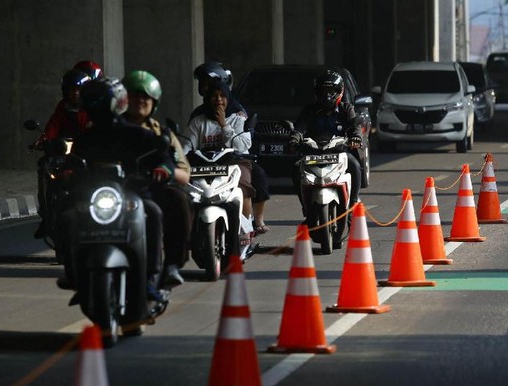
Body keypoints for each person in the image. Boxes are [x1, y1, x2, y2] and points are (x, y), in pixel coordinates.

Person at [64, 77, 175, 299]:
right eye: (93, 103)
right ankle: (75, 276)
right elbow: (71, 164)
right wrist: (66, 174)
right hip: (94, 199)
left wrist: (163, 168)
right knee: (67, 217)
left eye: (101, 102)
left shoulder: (138, 135)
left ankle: (149, 277)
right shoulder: (84, 140)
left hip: (133, 196)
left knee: (153, 212)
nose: (98, 109)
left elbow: (164, 157)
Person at [122, 70, 192, 286]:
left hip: (149, 189)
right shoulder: (106, 128)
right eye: (134, 96)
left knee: (179, 200)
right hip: (112, 189)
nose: (140, 101)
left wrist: (168, 172)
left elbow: (184, 172)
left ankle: (171, 265)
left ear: (155, 102)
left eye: (146, 97)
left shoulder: (162, 134)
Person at [188, 63, 271, 233]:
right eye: (213, 95)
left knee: (251, 181)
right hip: (205, 163)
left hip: (234, 161)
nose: (218, 100)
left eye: (222, 96)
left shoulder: (238, 115)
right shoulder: (199, 118)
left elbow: (242, 144)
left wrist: (223, 125)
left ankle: (250, 226)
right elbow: (188, 143)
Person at [288, 69, 363, 214]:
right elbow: (299, 128)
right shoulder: (309, 110)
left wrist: (356, 138)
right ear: (316, 92)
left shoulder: (346, 109)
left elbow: (355, 126)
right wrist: (293, 140)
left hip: (339, 151)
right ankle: (305, 206)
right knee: (296, 168)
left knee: (354, 165)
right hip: (313, 153)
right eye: (323, 91)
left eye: (331, 91)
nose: (327, 95)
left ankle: (353, 203)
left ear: (339, 91)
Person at [31, 69, 93, 239]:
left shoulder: (92, 109)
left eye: (79, 90)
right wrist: (43, 139)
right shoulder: (62, 107)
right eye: (71, 89)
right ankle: (46, 213)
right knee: (45, 166)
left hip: (85, 153)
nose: (75, 93)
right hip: (63, 151)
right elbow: (53, 126)